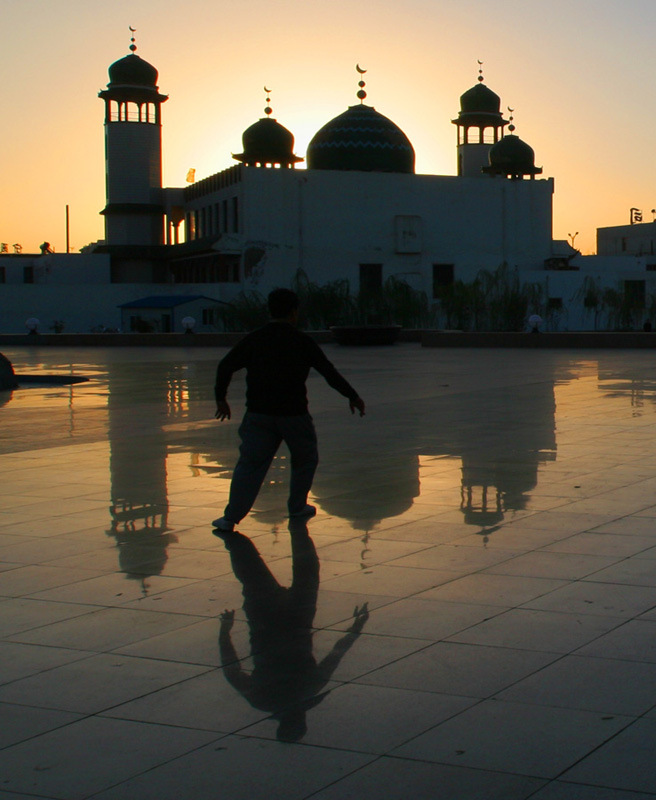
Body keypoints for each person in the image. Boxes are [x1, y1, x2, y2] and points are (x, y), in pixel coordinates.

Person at [212, 288, 365, 531]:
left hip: (258, 414)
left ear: (269, 310)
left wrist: (221, 398)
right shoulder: (301, 340)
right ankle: (296, 506)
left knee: (250, 465)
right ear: (294, 311)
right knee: (305, 460)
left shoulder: (256, 339)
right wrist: (352, 395)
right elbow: (328, 371)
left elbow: (226, 366)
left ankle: (230, 518)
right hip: (294, 415)